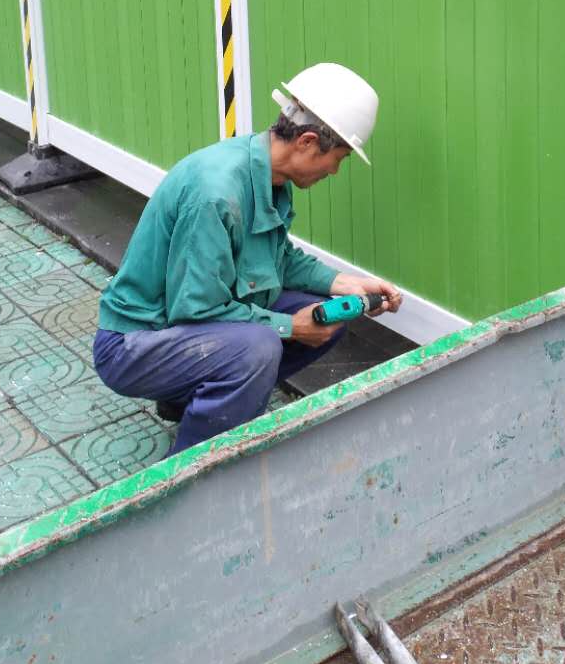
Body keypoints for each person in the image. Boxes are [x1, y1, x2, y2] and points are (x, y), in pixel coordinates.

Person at [93, 63, 402, 453]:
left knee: (330, 315)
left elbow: (277, 259)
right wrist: (290, 326)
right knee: (259, 347)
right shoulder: (217, 192)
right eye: (338, 158)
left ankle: (198, 395)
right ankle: (190, 475)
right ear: (307, 142)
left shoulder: (269, 177)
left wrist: (346, 284)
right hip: (135, 342)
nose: (335, 171)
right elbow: (196, 309)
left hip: (189, 320)